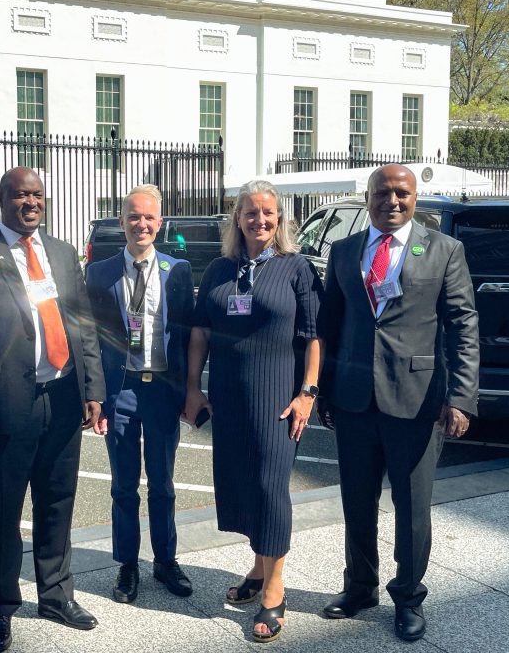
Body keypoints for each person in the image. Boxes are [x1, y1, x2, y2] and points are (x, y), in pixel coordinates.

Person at [0, 167, 105, 652]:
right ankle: (1, 608)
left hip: (62, 399)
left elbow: (83, 325)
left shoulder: (60, 253)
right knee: (4, 511)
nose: (29, 203)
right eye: (19, 196)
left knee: (58, 502)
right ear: (1, 199)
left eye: (36, 195)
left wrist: (92, 387)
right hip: (5, 409)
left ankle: (56, 595)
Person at [316, 163, 478, 642]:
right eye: (382, 193)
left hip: (418, 399)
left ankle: (408, 596)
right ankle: (360, 587)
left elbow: (463, 326)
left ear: (415, 198)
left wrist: (461, 398)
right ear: (368, 197)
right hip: (354, 399)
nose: (392, 201)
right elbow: (331, 325)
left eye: (402, 193)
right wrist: (324, 390)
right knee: (356, 501)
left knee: (412, 507)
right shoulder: (344, 251)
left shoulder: (444, 250)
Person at [184, 180, 322, 643]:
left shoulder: (296, 268)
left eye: (268, 213)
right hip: (229, 396)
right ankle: (259, 569)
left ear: (279, 219)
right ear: (237, 219)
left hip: (279, 397)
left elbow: (313, 336)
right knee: (242, 482)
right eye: (250, 213)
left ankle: (274, 587)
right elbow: (201, 331)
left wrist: (308, 392)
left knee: (270, 486)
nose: (260, 220)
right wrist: (192, 388)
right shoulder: (222, 269)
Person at [84, 184, 194, 604]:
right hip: (122, 392)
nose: (141, 224)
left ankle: (165, 561)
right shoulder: (100, 272)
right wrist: (95, 397)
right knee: (124, 485)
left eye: (149, 217)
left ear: (160, 224)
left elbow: (185, 335)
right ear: (121, 222)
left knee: (163, 483)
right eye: (134, 216)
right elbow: (89, 338)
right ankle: (127, 564)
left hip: (163, 391)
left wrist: (189, 391)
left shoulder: (177, 270)